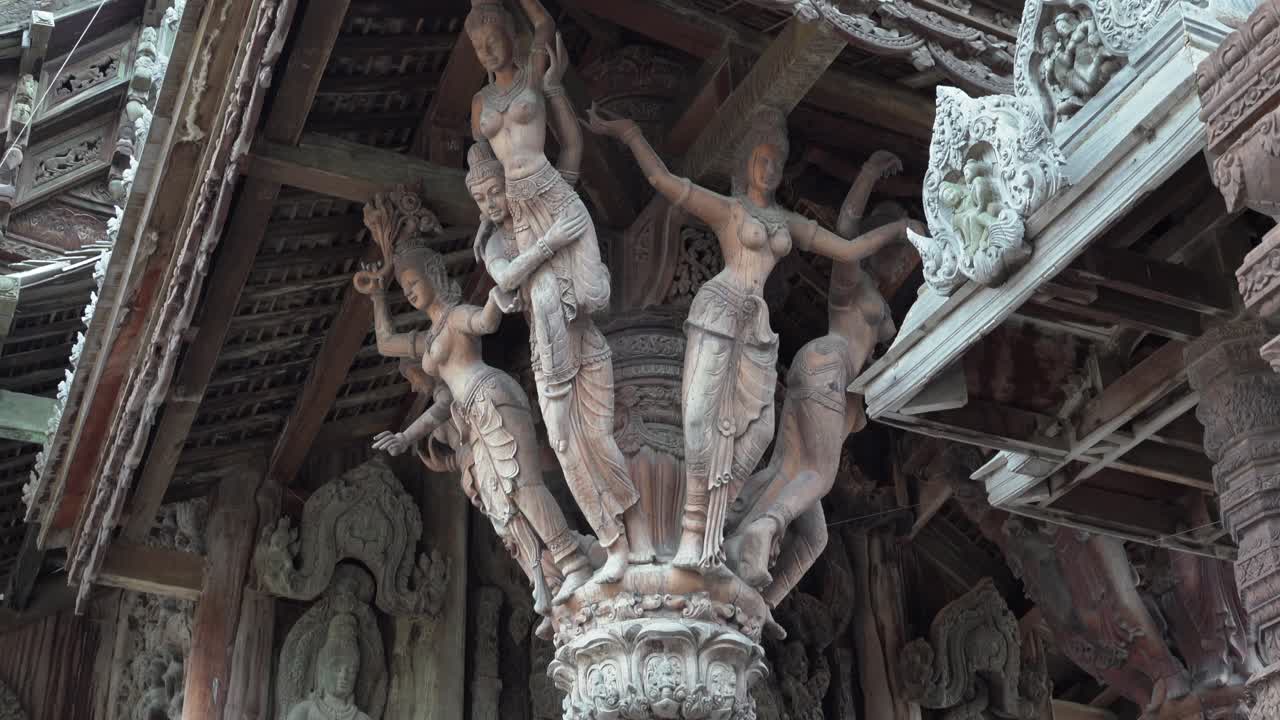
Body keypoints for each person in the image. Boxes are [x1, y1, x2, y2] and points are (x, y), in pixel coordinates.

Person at [588, 106, 922, 569]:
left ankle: (720, 523)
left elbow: (846, 247)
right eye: (762, 160)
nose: (769, 170)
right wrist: (629, 132)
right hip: (719, 311)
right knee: (700, 423)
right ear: (746, 162)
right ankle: (691, 534)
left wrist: (899, 231)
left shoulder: (787, 222)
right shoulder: (730, 211)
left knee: (759, 430)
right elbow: (666, 182)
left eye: (777, 164)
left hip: (756, 327)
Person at [465, 0, 639, 579]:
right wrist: (496, 216)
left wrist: (558, 87)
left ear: (508, 36)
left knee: (587, 296)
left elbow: (570, 146)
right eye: (478, 46)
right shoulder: (478, 106)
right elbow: (485, 174)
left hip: (556, 197)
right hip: (517, 214)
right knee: (561, 422)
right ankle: (611, 532)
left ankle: (620, 531)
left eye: (492, 38)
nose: (487, 51)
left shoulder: (536, 70)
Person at [356, 191, 592, 610]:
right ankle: (544, 577)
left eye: (413, 283)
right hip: (469, 410)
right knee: (500, 503)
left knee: (523, 484)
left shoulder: (457, 315)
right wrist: (378, 297)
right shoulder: (428, 339)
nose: (409, 292)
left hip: (492, 396)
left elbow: (484, 321)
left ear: (434, 275)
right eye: (405, 288)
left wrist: (498, 296)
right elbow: (388, 344)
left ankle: (573, 560)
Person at [286, 614, 372, 720]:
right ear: (322, 670)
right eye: (337, 669)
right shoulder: (305, 711)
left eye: (351, 670)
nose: (344, 676)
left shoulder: (362, 718)